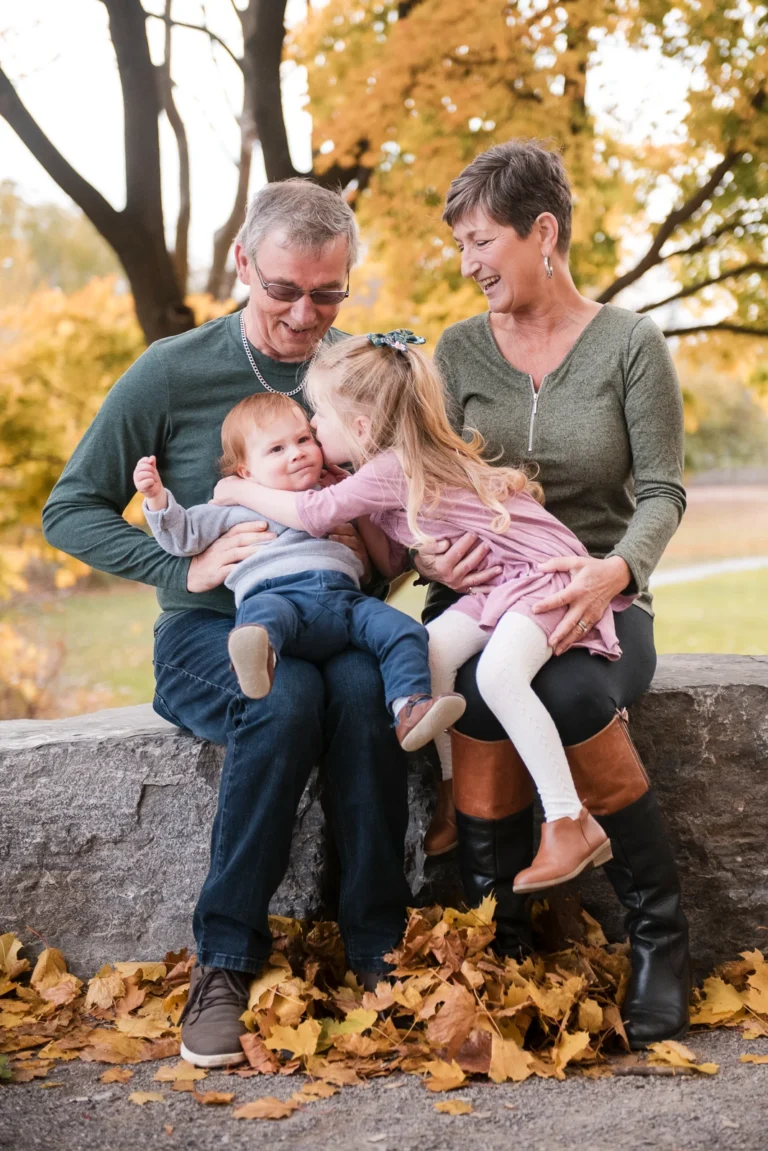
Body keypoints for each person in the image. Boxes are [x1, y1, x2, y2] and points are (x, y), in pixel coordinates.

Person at [42, 179, 414, 1069]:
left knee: (365, 689)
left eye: (329, 293)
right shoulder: (173, 371)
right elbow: (71, 508)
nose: (304, 314)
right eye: (285, 289)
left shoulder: (357, 371)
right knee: (282, 701)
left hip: (340, 616)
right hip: (210, 637)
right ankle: (225, 961)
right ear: (243, 265)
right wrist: (181, 564)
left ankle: (378, 952)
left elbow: (402, 515)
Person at [413, 139, 690, 1048]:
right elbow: (421, 481)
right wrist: (436, 555)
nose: (469, 264)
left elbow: (661, 493)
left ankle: (659, 935)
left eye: (482, 241)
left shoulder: (629, 344)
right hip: (486, 591)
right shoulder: (454, 352)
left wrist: (619, 570)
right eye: (460, 245)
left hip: (599, 592)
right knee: (477, 694)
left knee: (569, 690)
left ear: (544, 231)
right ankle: (506, 940)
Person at [211, 330, 630, 893]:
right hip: (498, 586)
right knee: (428, 652)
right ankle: (457, 795)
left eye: (319, 419)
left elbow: (313, 515)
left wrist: (236, 492)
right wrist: (349, 500)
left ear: (359, 429)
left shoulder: (390, 466)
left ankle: (568, 822)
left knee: (500, 676)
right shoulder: (374, 473)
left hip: (543, 577)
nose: (311, 431)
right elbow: (386, 555)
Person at [133, 392, 465, 747]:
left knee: (405, 630)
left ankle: (409, 708)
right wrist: (157, 499)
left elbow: (388, 540)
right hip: (279, 597)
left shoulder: (336, 495)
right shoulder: (231, 504)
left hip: (347, 603)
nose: (297, 452)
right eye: (276, 450)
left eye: (304, 439)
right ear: (245, 471)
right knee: (262, 617)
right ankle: (259, 657)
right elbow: (182, 536)